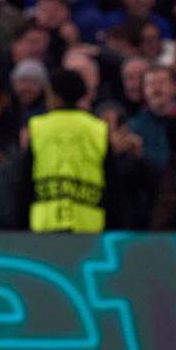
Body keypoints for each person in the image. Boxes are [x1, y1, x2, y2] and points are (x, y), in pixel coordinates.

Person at [24, 69, 110, 233]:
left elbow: (25, 178)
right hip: (89, 223)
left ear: (56, 96)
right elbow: (110, 179)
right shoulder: (98, 128)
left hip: (45, 222)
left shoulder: (38, 126)